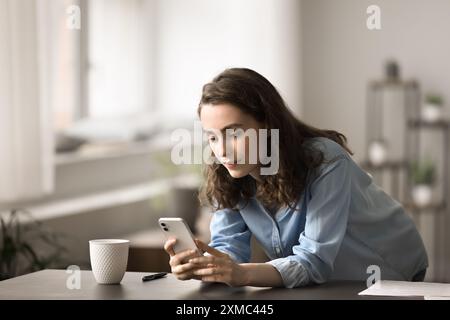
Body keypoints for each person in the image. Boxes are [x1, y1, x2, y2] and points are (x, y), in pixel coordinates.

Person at [164, 68, 428, 288]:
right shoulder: (228, 173)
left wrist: (242, 274)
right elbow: (229, 249)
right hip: (329, 282)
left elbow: (314, 260)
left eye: (234, 133)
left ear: (266, 124)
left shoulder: (325, 160)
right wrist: (208, 265)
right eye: (212, 136)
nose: (221, 150)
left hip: (388, 267)